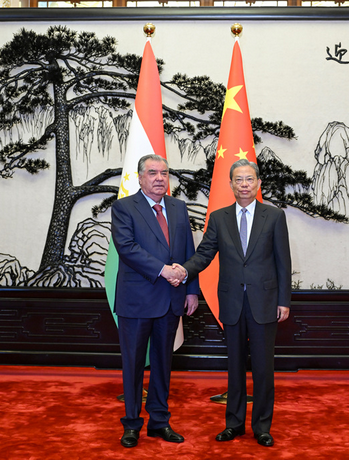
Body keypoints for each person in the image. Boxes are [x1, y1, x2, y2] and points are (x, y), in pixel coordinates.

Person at [175, 159, 291, 447]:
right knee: (235, 367)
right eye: (238, 180)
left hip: (265, 302)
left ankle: (262, 426)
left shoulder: (274, 216)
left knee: (263, 368)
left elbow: (283, 262)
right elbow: (204, 254)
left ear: (258, 183)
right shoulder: (219, 218)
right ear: (230, 185)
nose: (244, 185)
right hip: (231, 302)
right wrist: (184, 271)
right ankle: (234, 424)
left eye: (249, 179)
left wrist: (284, 301)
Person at [111, 154, 199, 448]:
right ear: (140, 178)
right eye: (152, 173)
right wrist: (163, 270)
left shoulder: (178, 207)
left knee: (163, 364)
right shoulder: (124, 207)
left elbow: (188, 250)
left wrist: (191, 290)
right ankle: (131, 424)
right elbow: (127, 248)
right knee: (134, 365)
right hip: (137, 301)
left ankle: (159, 422)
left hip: (172, 299)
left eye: (164, 173)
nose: (160, 178)